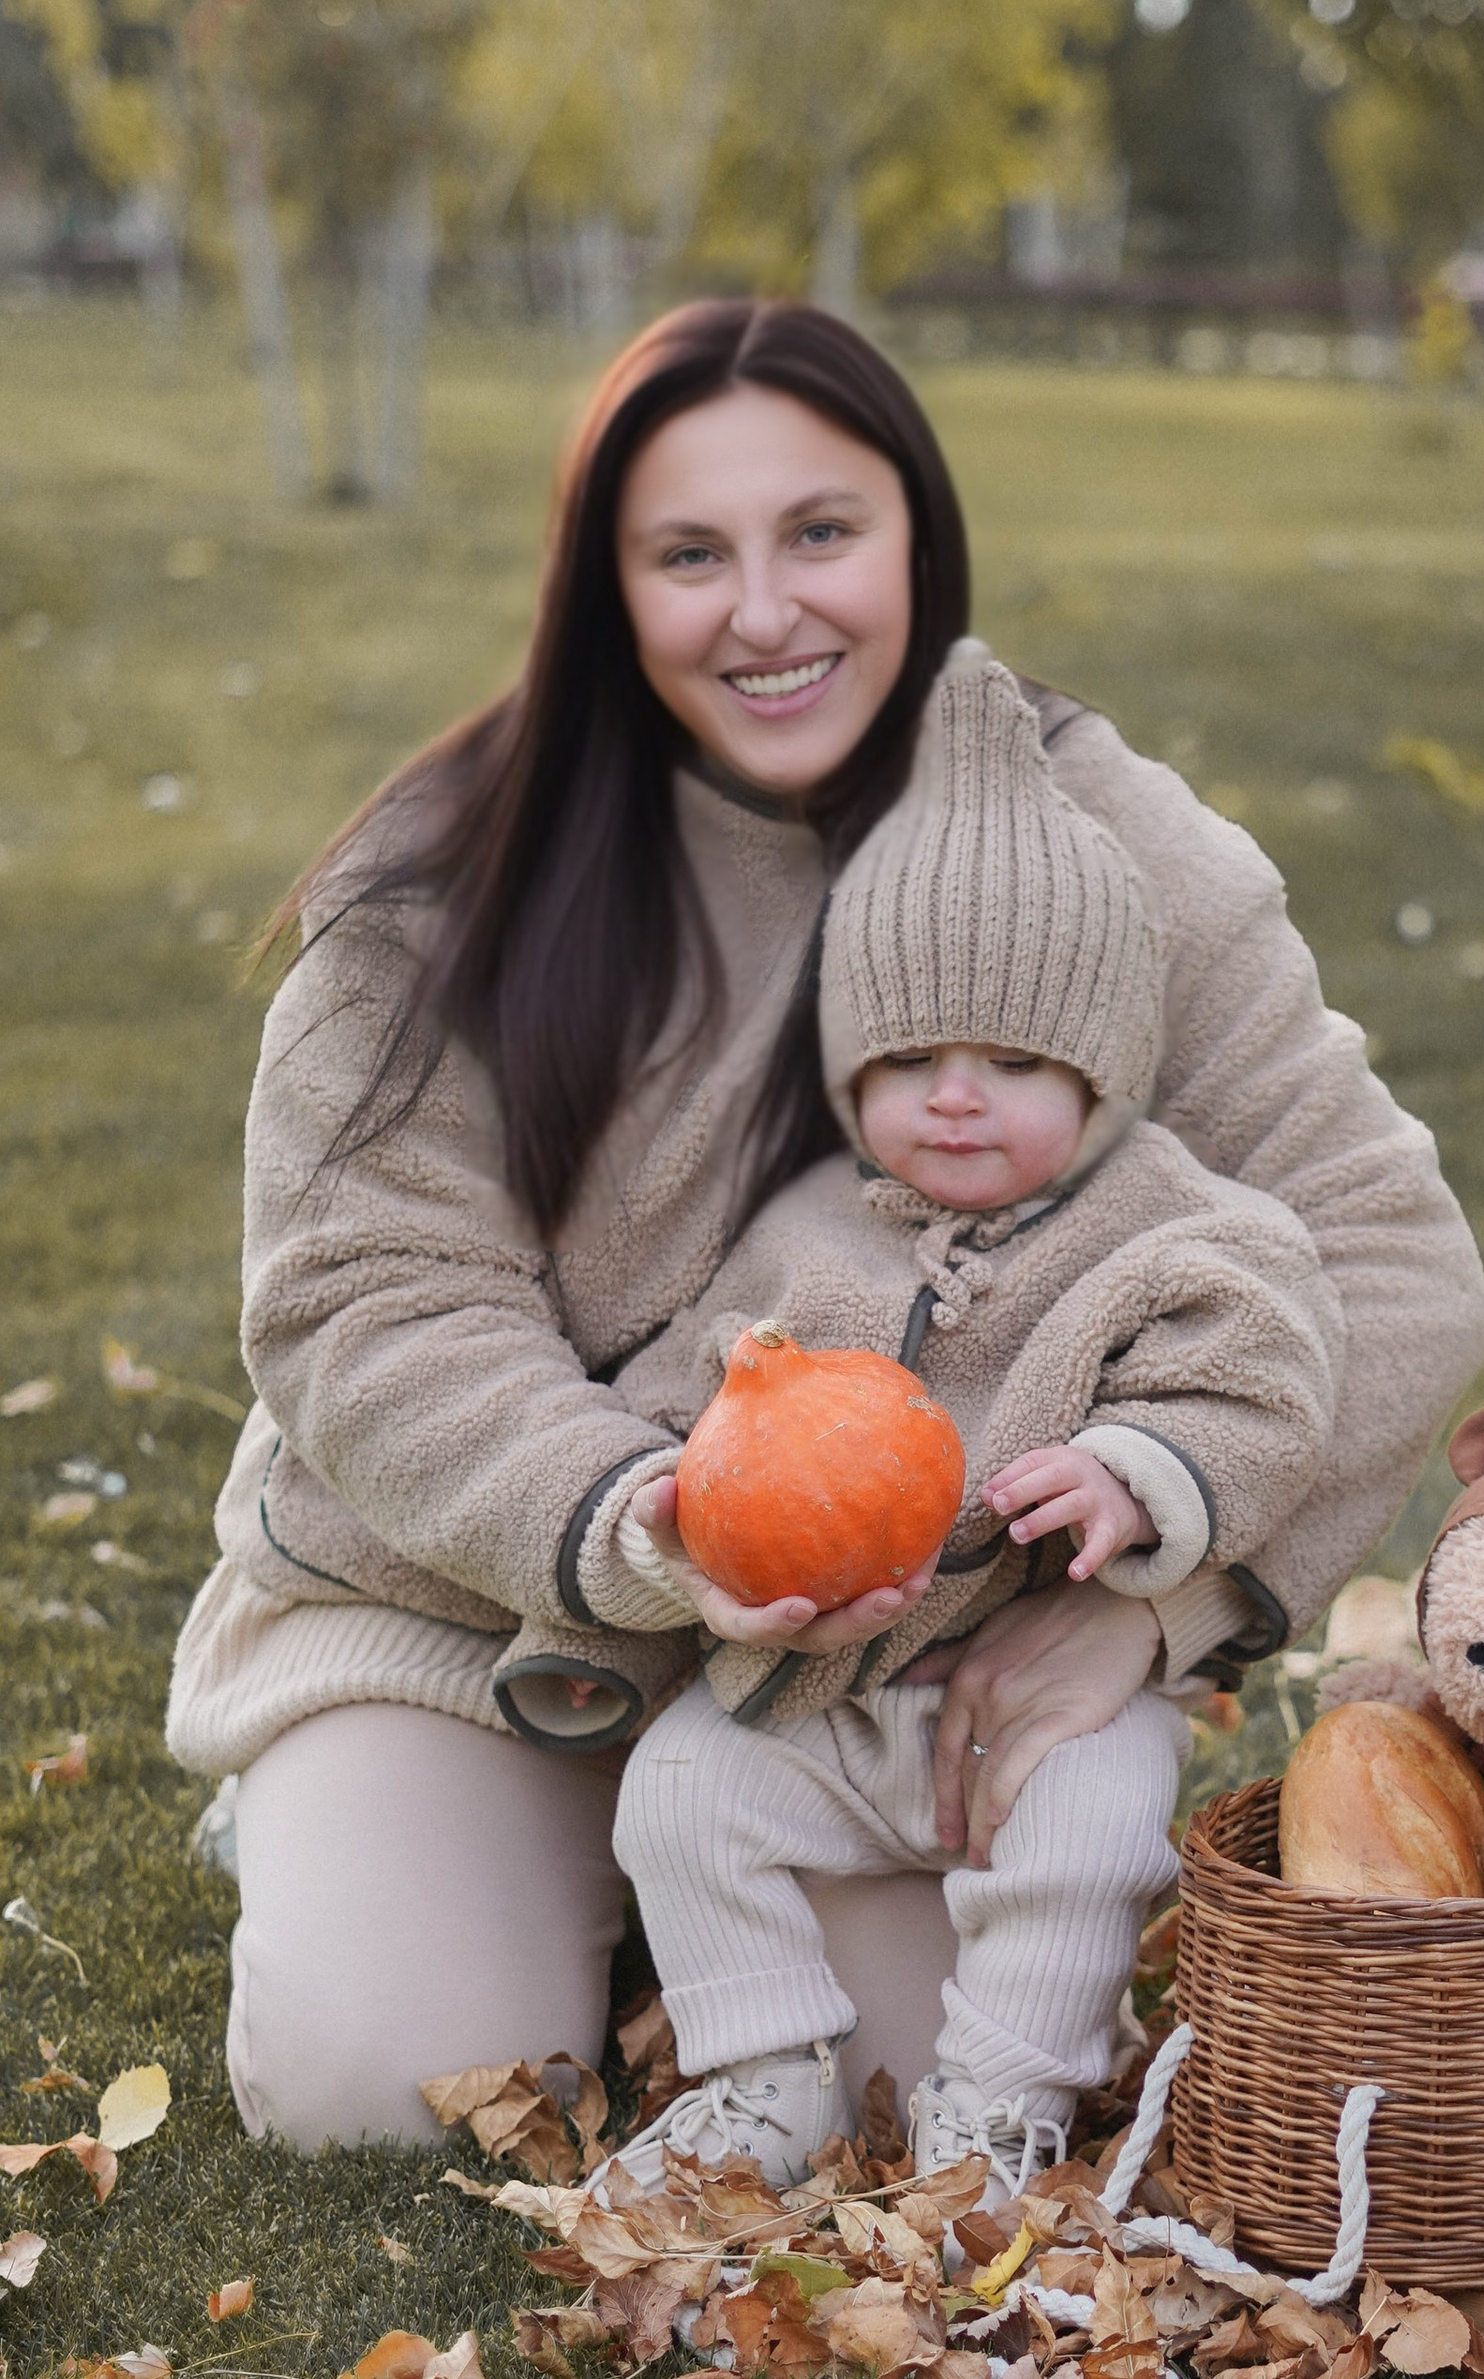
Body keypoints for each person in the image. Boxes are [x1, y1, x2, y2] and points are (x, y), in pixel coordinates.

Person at [166, 297, 1484, 2146]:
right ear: (605, 589)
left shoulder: (1093, 844)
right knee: (386, 2085)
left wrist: (1156, 1611)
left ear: (918, 539)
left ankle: (658, 1903)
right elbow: (366, 1303)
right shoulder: (444, 884)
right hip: (478, 1625)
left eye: (822, 533)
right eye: (690, 555)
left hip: (888, 1671)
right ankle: (381, 1823)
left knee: (896, 2103)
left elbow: (1389, 1255)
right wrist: (652, 1530)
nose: (769, 611)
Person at [554, 641, 1344, 2203]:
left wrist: (1142, 1479)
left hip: (1039, 1687)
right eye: (909, 1060)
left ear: (1104, 1070)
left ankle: (1005, 2100)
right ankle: (762, 2071)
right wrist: (673, 1494)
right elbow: (695, 1382)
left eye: (1014, 1063)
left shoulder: (1177, 1229)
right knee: (681, 1793)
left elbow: (1268, 1380)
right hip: (818, 1690)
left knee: (1101, 1820)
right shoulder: (801, 1232)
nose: (956, 1098)